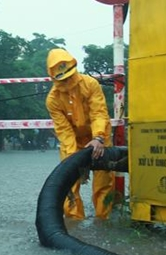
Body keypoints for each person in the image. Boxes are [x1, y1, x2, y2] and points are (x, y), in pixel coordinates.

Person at [45, 47, 115, 220]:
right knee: (69, 185)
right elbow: (64, 130)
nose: (68, 82)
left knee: (103, 183)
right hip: (73, 142)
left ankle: (103, 220)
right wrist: (74, 159)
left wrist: (98, 137)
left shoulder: (90, 84)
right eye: (63, 79)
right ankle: (75, 223)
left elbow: (99, 113)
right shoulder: (53, 100)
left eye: (69, 76)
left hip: (99, 139)